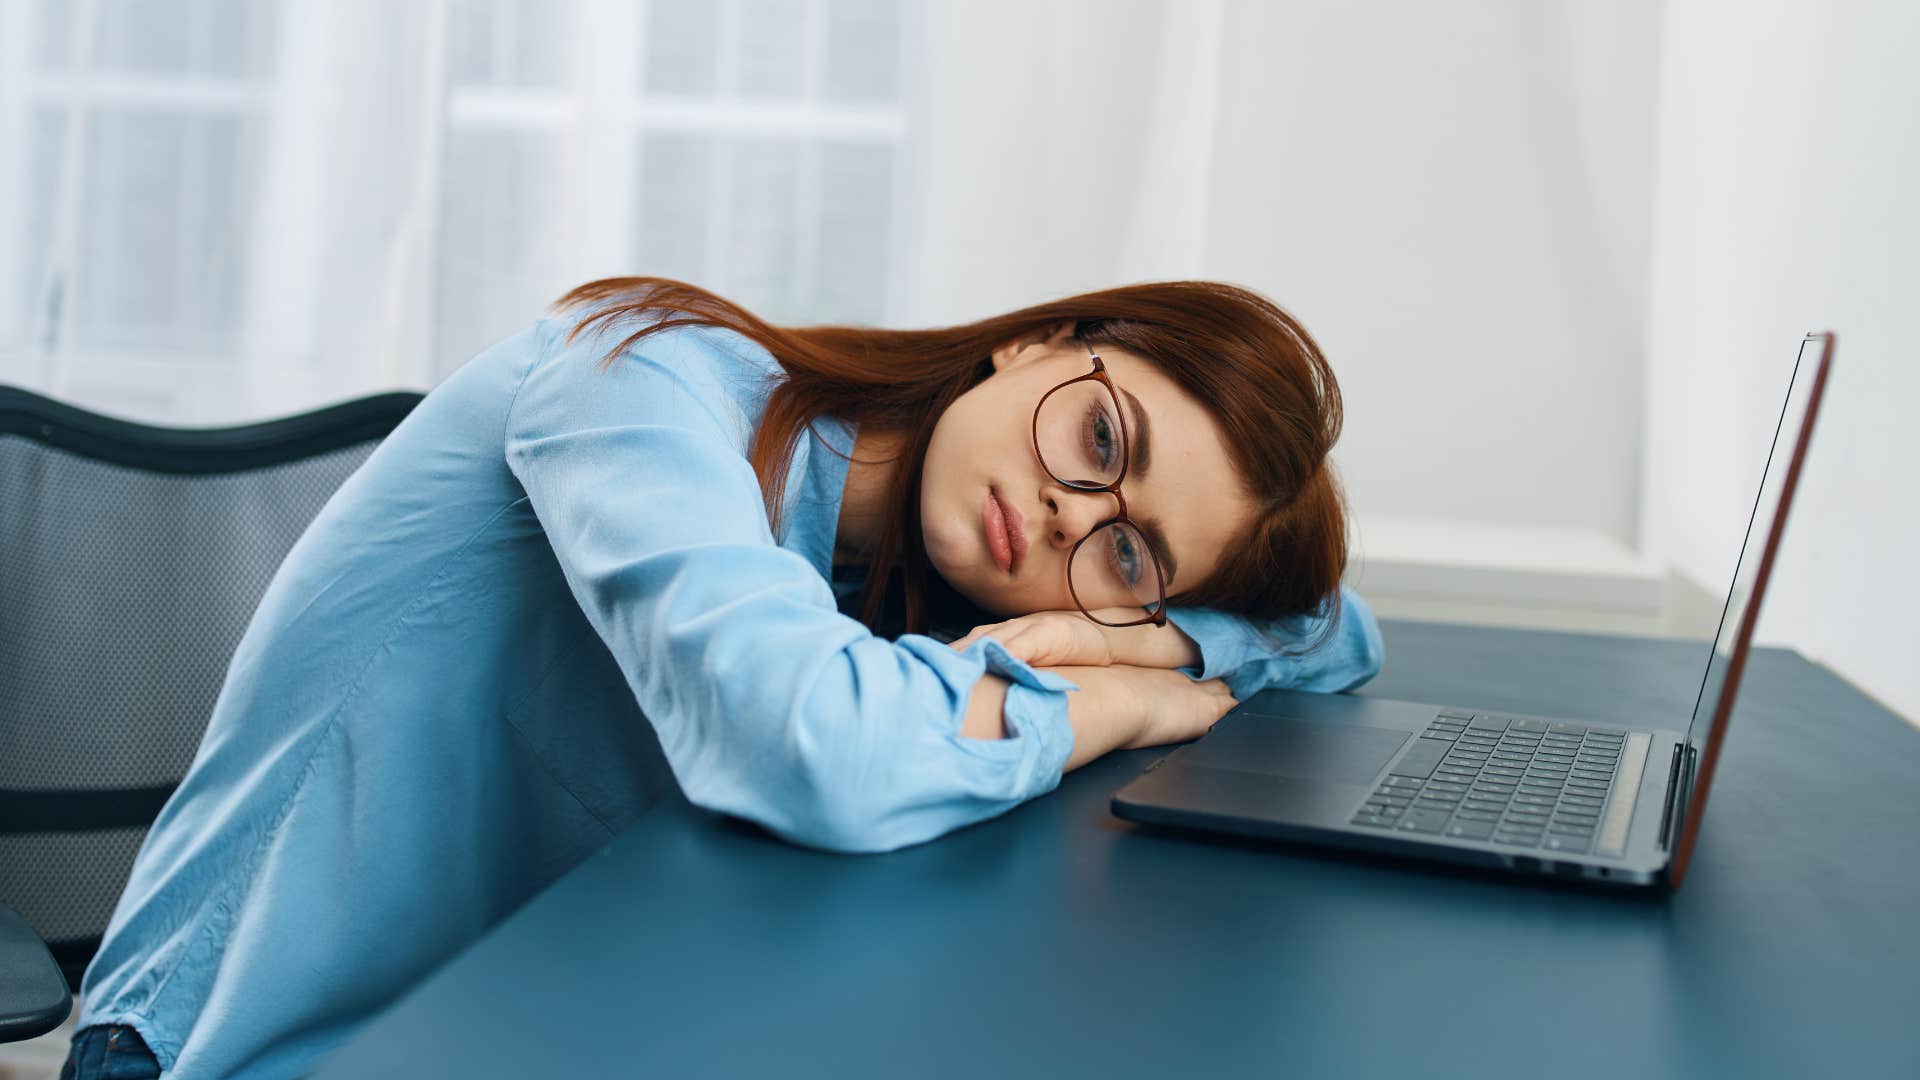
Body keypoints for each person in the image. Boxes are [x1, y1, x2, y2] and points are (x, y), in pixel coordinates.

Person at [62, 277, 1384, 1078]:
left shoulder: (907, 570)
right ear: (1042, 341)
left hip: (515, 1028)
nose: (1064, 514)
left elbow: (1334, 630)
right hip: (245, 1049)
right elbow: (814, 742)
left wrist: (1169, 634)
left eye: (1129, 545)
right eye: (1100, 437)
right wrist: (1124, 695)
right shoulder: (647, 374)